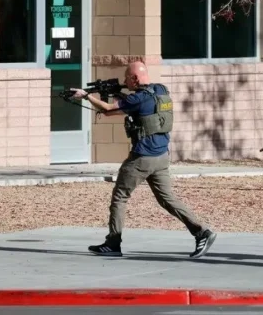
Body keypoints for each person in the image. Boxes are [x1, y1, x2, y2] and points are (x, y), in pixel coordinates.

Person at [70, 62, 217, 258]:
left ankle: (113, 242)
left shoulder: (138, 98)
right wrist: (118, 93)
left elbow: (107, 110)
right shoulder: (161, 90)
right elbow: (138, 106)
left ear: (134, 79)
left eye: (126, 79)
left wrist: (87, 96)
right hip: (162, 157)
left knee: (120, 196)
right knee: (167, 199)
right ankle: (202, 232)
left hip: (142, 158)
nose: (124, 82)